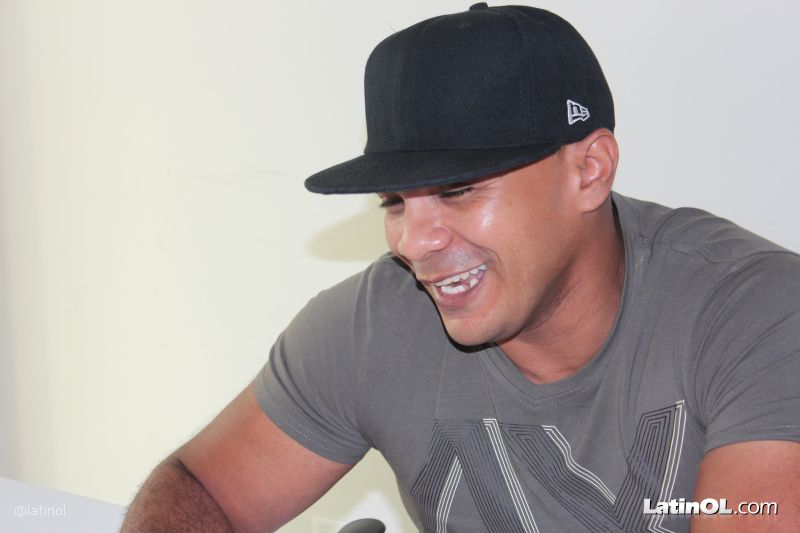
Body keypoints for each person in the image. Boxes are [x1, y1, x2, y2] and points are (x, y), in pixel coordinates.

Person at [122, 4, 800, 532]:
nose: (414, 243)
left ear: (589, 171)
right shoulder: (372, 327)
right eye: (394, 202)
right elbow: (199, 490)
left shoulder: (762, 316)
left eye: (458, 190)